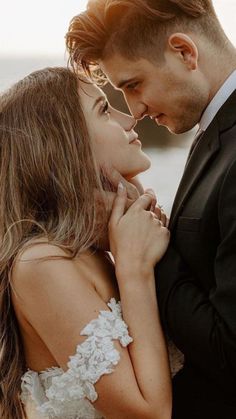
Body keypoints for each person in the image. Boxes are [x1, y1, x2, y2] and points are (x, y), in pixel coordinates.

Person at [65, 1, 236, 418]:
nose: (135, 111)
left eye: (135, 83)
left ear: (184, 52)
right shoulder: (214, 130)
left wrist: (138, 250)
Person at [0, 67, 172, 419]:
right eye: (104, 110)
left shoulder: (101, 249)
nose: (130, 120)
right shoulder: (42, 264)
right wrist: (134, 269)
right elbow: (149, 413)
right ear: (67, 144)